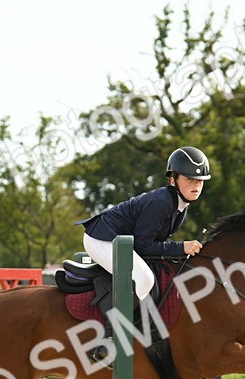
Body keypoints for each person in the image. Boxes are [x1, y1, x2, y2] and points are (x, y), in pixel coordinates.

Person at [76, 146, 208, 361]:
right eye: (189, 178)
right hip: (101, 239)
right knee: (142, 279)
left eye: (200, 180)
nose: (196, 184)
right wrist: (180, 247)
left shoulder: (180, 205)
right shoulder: (163, 202)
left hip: (120, 240)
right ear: (173, 180)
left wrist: (180, 250)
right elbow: (144, 245)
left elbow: (154, 241)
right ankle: (107, 340)